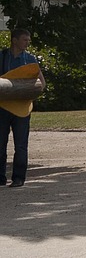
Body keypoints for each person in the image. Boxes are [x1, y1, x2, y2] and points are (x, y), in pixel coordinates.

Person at [1, 29, 44, 188]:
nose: (27, 42)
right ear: (14, 40)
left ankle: (18, 178)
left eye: (28, 40)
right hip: (2, 108)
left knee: (21, 145)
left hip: (22, 109)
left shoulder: (30, 60)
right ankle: (0, 178)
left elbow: (41, 83)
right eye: (25, 40)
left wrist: (31, 95)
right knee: (0, 144)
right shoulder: (2, 57)